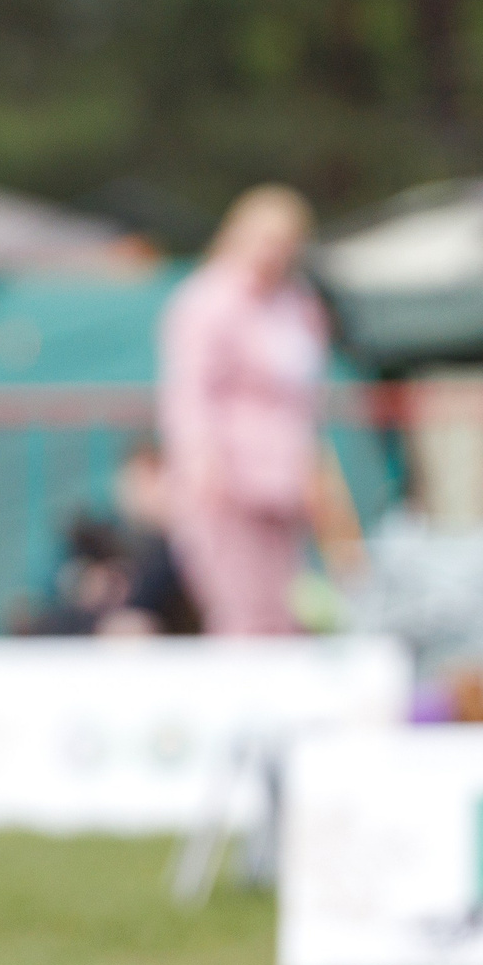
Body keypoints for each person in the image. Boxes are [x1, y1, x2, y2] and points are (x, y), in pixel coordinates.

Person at [156, 185, 332, 635]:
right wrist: (201, 461)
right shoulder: (206, 300)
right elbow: (189, 391)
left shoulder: (296, 305)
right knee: (239, 610)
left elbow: (306, 399)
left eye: (285, 242)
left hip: (284, 479)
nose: (274, 252)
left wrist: (312, 467)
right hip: (227, 476)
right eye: (265, 239)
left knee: (283, 610)